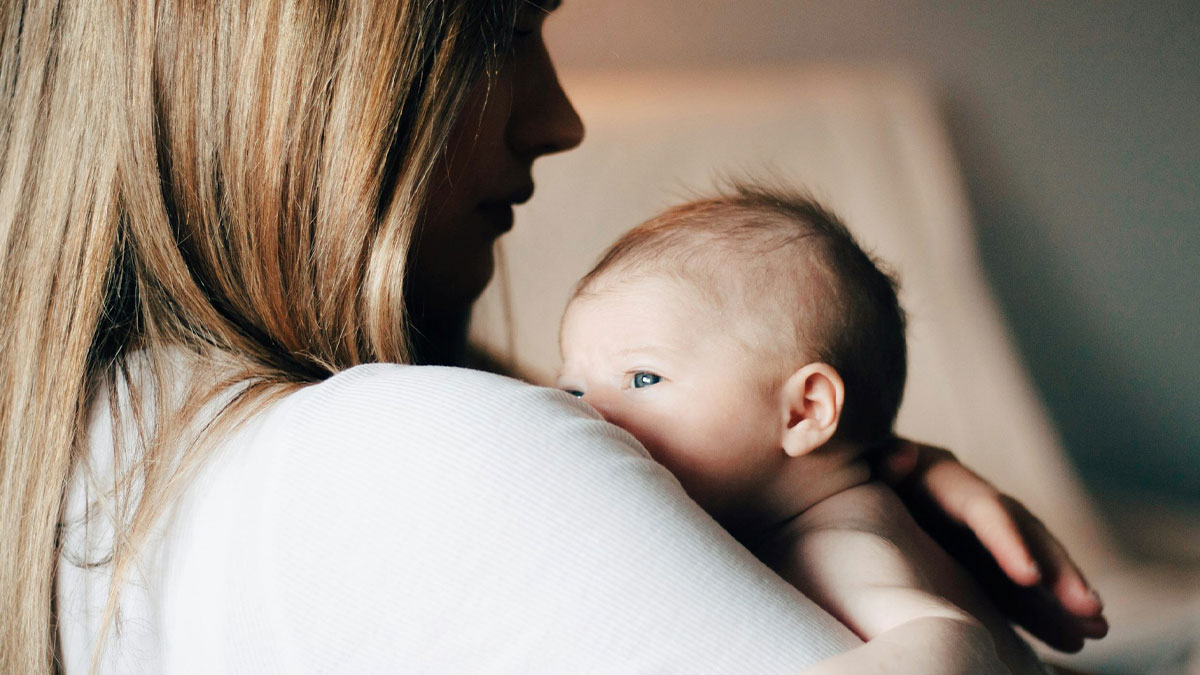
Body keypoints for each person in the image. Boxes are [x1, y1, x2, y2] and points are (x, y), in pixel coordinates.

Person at [0, 1, 1106, 673]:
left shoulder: (91, 452)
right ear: (294, 78)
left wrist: (864, 476)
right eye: (504, 28)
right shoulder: (417, 452)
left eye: (638, 379)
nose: (561, 117)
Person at [557, 184, 1048, 674]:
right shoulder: (794, 519)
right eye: (573, 391)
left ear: (804, 411)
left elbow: (950, 641)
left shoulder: (836, 543)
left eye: (644, 378)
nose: (589, 411)